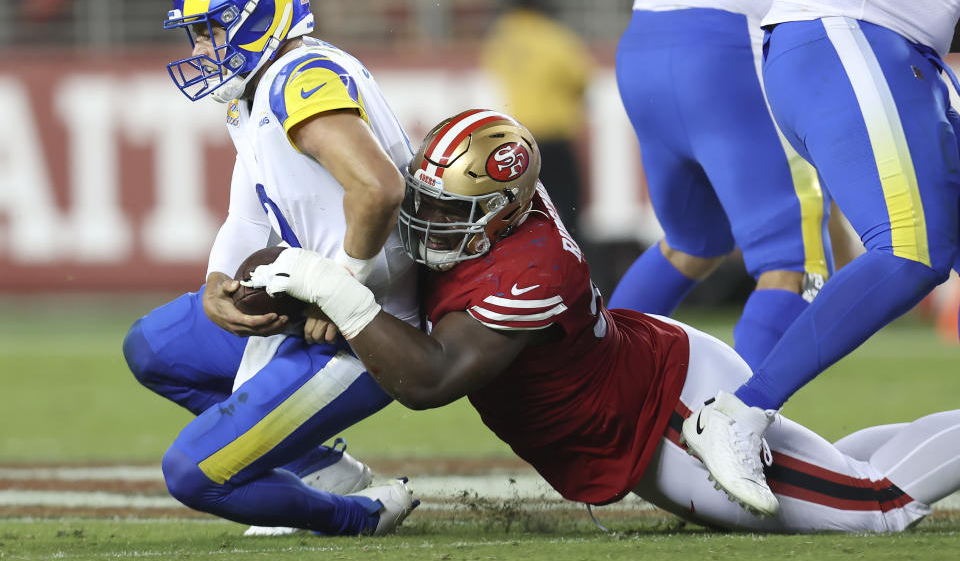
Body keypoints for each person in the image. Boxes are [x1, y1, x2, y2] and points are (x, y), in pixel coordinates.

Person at [244, 109, 960, 533]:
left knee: (877, 508)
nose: (430, 224)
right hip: (649, 389)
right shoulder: (494, 216)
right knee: (837, 470)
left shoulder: (532, 268)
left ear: (506, 209)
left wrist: (330, 290)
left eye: (452, 212)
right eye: (427, 203)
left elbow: (430, 380)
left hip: (671, 414)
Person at [121, 0, 419, 536]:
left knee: (194, 473)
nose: (200, 48)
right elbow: (252, 212)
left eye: (209, 31)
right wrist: (215, 280)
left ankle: (359, 517)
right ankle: (320, 469)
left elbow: (379, 189)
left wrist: (345, 292)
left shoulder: (301, 76)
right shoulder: (258, 88)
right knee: (153, 347)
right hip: (311, 306)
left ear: (256, 14)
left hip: (368, 332)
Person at [680, 0, 960, 517]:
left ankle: (843, 456)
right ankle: (736, 413)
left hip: (878, 44)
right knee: (912, 248)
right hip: (853, 35)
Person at [610, 0, 832, 370]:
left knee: (693, 242)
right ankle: (729, 423)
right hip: (723, 45)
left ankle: (589, 386)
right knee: (797, 264)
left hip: (643, 38)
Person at [481, 0, 592, 235]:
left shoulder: (501, 36)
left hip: (518, 138)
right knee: (570, 210)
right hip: (554, 136)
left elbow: (494, 67)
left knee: (524, 212)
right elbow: (581, 80)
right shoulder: (554, 36)